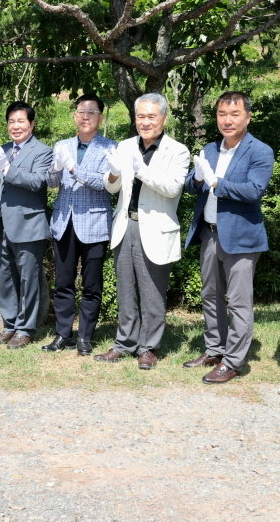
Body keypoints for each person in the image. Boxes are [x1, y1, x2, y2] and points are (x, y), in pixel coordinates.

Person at [182, 91, 274, 383]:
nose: (227, 120)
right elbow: (191, 186)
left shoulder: (259, 151)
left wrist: (218, 183)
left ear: (248, 116)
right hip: (209, 233)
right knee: (210, 296)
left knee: (238, 301)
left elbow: (254, 190)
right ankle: (214, 349)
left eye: (234, 114)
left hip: (241, 237)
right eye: (222, 114)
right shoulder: (210, 149)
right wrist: (197, 178)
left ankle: (233, 361)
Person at [96, 93, 189, 369]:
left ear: (164, 118)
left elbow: (172, 188)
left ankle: (148, 347)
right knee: (126, 290)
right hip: (126, 225)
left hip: (156, 229)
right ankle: (124, 342)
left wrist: (141, 170)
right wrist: (113, 173)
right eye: (141, 116)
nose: (145, 122)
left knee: (152, 292)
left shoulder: (178, 150)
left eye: (151, 116)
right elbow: (111, 187)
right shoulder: (125, 146)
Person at [43, 93, 116, 354]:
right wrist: (55, 170)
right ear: (74, 116)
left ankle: (85, 336)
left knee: (92, 284)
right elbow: (52, 184)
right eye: (80, 112)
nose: (85, 116)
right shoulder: (62, 145)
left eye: (91, 112)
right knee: (63, 282)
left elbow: (106, 184)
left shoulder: (111, 148)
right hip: (64, 222)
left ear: (100, 116)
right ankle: (63, 334)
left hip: (95, 224)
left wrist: (74, 168)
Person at [0, 101, 54, 349]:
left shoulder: (43, 151)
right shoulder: (4, 149)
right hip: (2, 224)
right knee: (6, 278)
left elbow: (37, 182)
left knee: (28, 279)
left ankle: (25, 328)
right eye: (11, 121)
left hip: (28, 225)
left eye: (21, 121)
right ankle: (9, 326)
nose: (16, 126)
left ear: (32, 124)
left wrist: (6, 167)